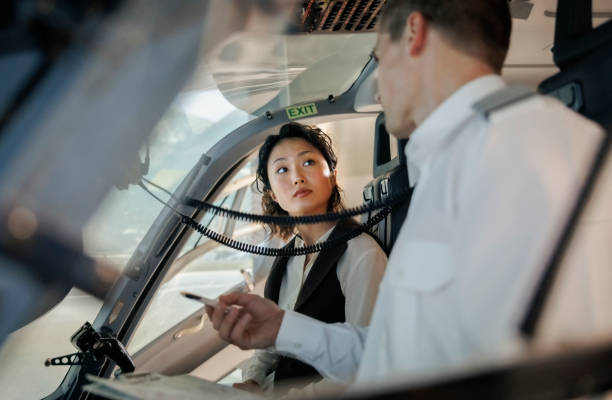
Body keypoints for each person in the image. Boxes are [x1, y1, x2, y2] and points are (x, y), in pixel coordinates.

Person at [207, 0, 610, 390]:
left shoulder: (516, 158)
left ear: (414, 33)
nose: (380, 84)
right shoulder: (453, 163)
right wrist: (282, 327)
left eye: (381, 58)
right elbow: (398, 357)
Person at [233, 122, 387, 393]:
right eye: (282, 169)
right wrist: (252, 379)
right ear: (272, 195)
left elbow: (365, 365)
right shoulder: (287, 257)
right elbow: (272, 342)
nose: (297, 178)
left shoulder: (360, 252)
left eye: (308, 163)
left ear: (332, 176)